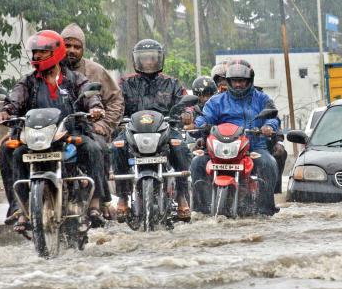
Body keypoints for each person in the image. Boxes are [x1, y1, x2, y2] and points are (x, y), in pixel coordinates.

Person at [0, 30, 106, 232]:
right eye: (35, 52)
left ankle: (95, 204)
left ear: (56, 52)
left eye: (42, 52)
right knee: (12, 151)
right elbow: (14, 99)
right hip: (36, 137)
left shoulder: (74, 79)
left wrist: (95, 108)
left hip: (69, 135)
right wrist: (5, 111)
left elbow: (90, 95)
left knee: (94, 148)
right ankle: (19, 207)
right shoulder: (28, 81)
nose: (37, 56)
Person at [112, 39, 191, 221]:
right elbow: (114, 104)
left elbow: (185, 103)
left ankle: (181, 196)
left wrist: (187, 112)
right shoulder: (125, 83)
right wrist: (112, 117)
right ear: (136, 60)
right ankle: (123, 197)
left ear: (160, 59)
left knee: (181, 148)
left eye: (152, 58)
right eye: (144, 58)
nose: (148, 62)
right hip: (132, 130)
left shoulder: (172, 83)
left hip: (166, 129)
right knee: (116, 147)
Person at [190, 59, 280, 215]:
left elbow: (273, 116)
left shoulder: (262, 98)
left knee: (269, 163)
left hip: (253, 147)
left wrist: (268, 127)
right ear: (228, 81)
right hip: (219, 149)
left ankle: (265, 210)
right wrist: (199, 124)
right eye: (234, 81)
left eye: (242, 81)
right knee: (197, 162)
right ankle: (200, 210)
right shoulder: (216, 101)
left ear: (249, 80)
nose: (238, 84)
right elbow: (205, 117)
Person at [60, 23, 125, 218]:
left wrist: (103, 125)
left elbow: (115, 100)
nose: (71, 50)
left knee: (99, 148)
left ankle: (99, 199)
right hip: (53, 131)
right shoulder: (50, 70)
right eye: (67, 45)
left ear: (83, 49)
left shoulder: (95, 71)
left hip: (88, 129)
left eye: (76, 46)